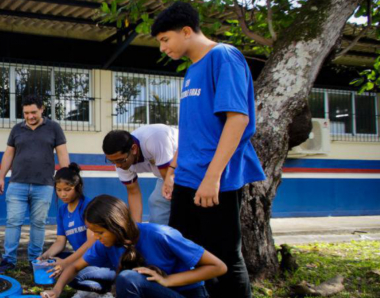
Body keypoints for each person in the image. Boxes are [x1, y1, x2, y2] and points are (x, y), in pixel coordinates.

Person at [151, 2, 267, 297]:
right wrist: (172, 171)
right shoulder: (192, 70)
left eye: (165, 39)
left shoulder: (223, 56)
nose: (163, 48)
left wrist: (213, 177)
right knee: (184, 253)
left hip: (214, 180)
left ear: (186, 31)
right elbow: (191, 129)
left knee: (224, 258)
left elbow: (238, 119)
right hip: (187, 178)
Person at [41, 195, 227, 298]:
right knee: (118, 277)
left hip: (185, 294)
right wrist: (56, 291)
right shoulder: (107, 243)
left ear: (115, 225)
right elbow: (73, 266)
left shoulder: (160, 235)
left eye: (99, 232)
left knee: (127, 278)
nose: (96, 238)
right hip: (152, 292)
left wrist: (168, 280)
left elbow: (218, 267)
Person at [0, 94, 70, 273]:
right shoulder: (17, 129)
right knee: (13, 222)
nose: (30, 116)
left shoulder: (54, 128)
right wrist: (1, 177)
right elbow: (8, 154)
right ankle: (8, 261)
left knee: (38, 223)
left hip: (44, 185)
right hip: (17, 184)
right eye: (26, 113)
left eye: (33, 112)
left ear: (42, 109)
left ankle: (35, 260)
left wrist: (65, 177)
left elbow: (62, 153)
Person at [37, 163, 115, 294]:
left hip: (101, 261)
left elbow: (91, 242)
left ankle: (104, 291)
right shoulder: (62, 211)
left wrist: (66, 263)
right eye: (59, 190)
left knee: (69, 274)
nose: (63, 194)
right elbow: (60, 242)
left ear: (78, 187)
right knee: (51, 262)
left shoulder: (88, 206)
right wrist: (44, 257)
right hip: (83, 259)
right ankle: (89, 290)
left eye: (67, 189)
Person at [102, 124, 178, 225]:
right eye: (112, 161)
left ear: (134, 149)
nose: (118, 166)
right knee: (157, 205)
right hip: (166, 174)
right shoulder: (120, 160)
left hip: (185, 166)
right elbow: (133, 192)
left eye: (120, 160)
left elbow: (169, 180)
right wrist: (135, 228)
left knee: (168, 203)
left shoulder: (153, 138)